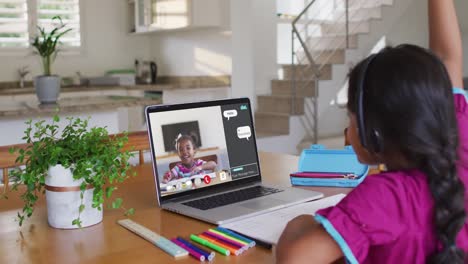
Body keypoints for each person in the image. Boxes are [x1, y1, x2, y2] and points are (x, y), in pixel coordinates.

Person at [276, 0, 467, 263]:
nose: (347, 129)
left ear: (372, 131)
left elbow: (295, 259)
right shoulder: (460, 136)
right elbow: (447, 58)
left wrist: (301, 222)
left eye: (350, 115)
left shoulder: (384, 197)